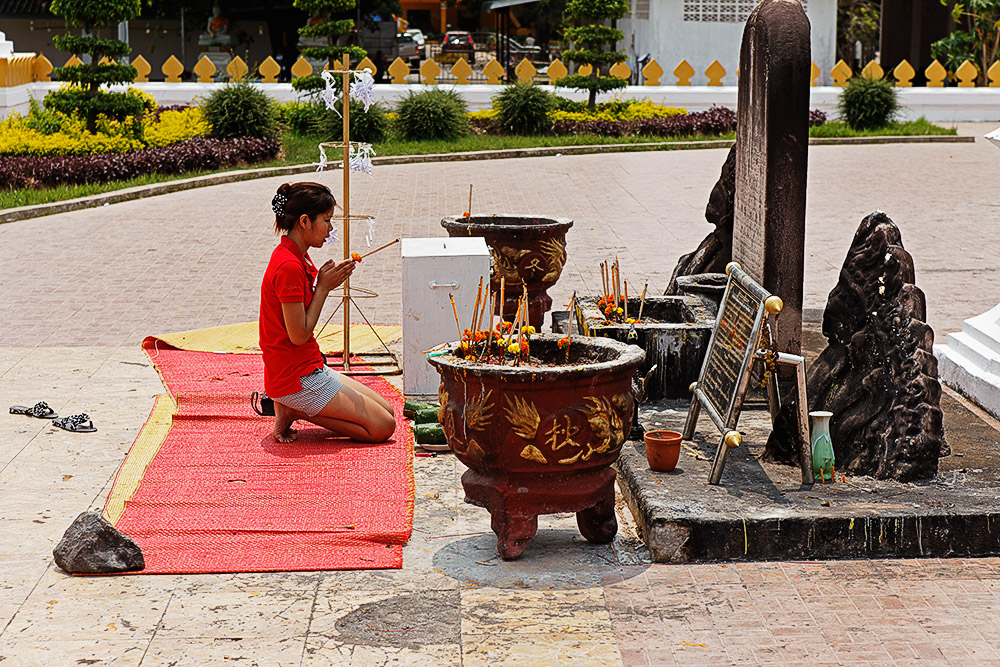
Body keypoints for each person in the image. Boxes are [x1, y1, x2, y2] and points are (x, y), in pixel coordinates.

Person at [260, 182, 396, 444]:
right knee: (383, 427)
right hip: (294, 377)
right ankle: (295, 408)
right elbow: (298, 335)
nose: (331, 229)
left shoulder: (298, 255)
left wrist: (324, 283)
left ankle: (297, 407)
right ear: (304, 221)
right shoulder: (288, 265)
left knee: (387, 410)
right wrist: (323, 288)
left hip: (308, 365)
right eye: (327, 220)